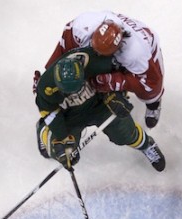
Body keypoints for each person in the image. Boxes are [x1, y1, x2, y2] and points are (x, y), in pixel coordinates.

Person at [35, 47, 165, 172]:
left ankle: (147, 145)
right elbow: (49, 112)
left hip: (100, 104)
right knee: (58, 150)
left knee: (124, 132)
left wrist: (117, 96)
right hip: (70, 116)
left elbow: (124, 73)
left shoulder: (97, 61)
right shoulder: (46, 86)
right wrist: (62, 138)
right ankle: (43, 128)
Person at [33, 11, 164, 129]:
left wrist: (117, 82)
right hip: (119, 43)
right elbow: (64, 49)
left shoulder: (136, 54)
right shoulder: (82, 27)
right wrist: (48, 74)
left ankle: (154, 106)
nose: (96, 55)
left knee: (150, 95)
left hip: (148, 44)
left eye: (102, 53)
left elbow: (151, 83)